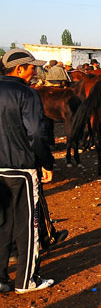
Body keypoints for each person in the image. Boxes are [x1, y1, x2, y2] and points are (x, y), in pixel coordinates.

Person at [0, 48, 56, 293]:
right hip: (20, 168)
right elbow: (35, 133)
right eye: (32, 67)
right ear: (20, 69)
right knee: (28, 223)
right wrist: (46, 162)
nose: (35, 72)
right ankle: (27, 280)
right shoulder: (27, 94)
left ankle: (1, 278)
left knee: (2, 222)